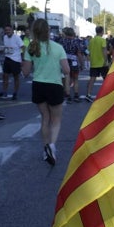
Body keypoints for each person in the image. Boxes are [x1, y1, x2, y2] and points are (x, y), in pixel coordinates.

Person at [22, 18, 70, 166]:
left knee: (45, 119)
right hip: (54, 85)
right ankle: (52, 146)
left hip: (38, 85)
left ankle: (45, 149)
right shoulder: (57, 47)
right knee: (56, 120)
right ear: (48, 31)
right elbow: (67, 70)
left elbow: (25, 72)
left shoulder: (31, 47)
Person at [0, 24, 24, 100]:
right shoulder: (5, 37)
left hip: (15, 60)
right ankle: (4, 91)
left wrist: (23, 59)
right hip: (7, 58)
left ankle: (15, 93)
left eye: (9, 30)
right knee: (5, 76)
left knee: (16, 77)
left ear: (12, 30)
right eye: (6, 30)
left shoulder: (17, 38)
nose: (7, 31)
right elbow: (6, 47)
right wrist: (2, 50)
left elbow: (23, 47)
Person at [58, 27, 85, 103]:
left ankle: (68, 95)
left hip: (65, 61)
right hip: (74, 61)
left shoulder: (62, 41)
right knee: (75, 79)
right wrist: (82, 64)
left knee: (67, 78)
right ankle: (76, 95)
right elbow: (79, 53)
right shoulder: (76, 41)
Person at [85, 25, 107, 102]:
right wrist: (105, 60)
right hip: (102, 63)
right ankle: (107, 95)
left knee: (92, 79)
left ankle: (88, 94)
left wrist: (88, 59)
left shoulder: (91, 40)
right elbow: (104, 51)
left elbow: (87, 51)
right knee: (107, 79)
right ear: (102, 32)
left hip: (93, 62)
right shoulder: (102, 40)